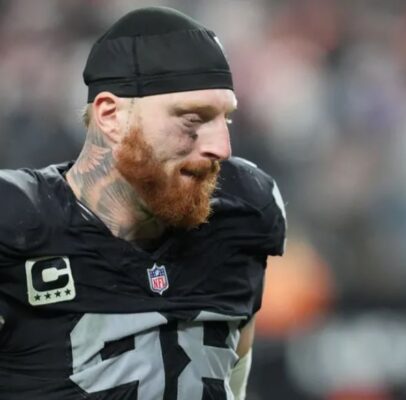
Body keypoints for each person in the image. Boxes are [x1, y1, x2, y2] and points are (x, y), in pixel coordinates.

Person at [0, 7, 286, 400]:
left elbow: (233, 383)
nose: (222, 148)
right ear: (111, 116)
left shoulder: (245, 211)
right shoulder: (17, 224)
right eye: (192, 120)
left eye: (226, 119)